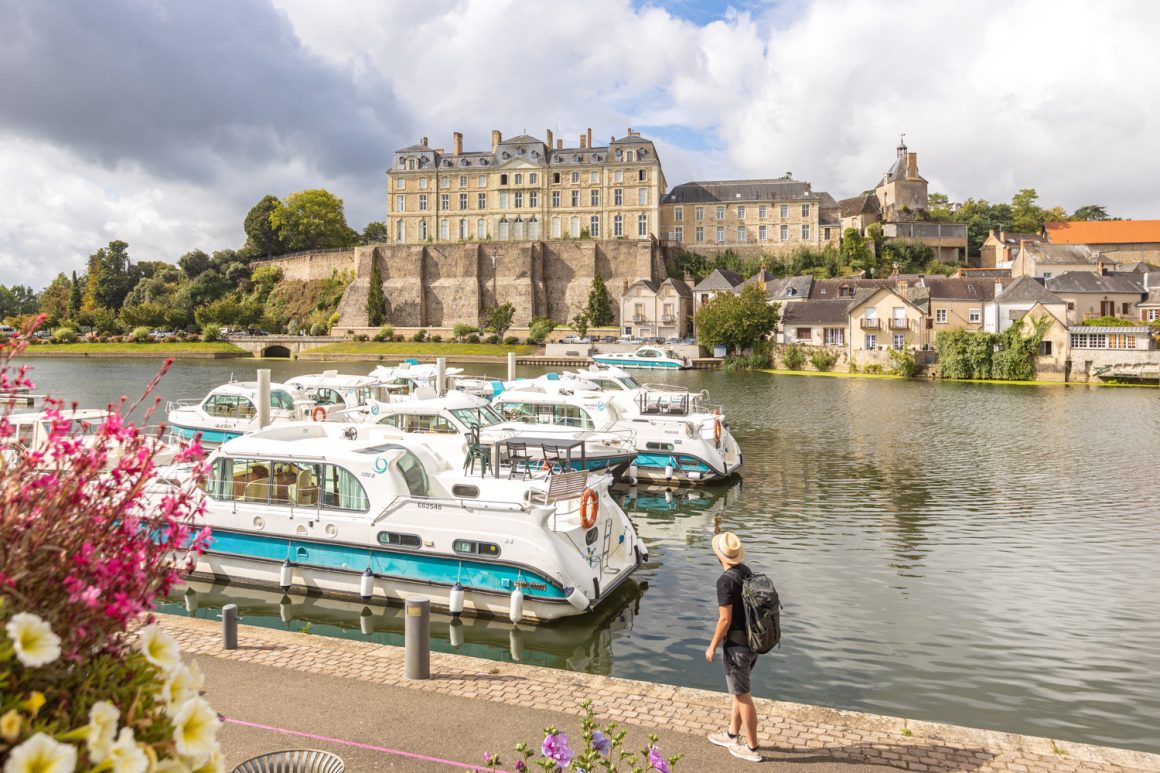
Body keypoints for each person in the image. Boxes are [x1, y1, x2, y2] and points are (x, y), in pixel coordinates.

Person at [705, 531, 762, 762]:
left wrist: (712, 646)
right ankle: (731, 734)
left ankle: (752, 748)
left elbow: (725, 620)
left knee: (743, 696)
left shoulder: (725, 581)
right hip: (753, 643)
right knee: (737, 694)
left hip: (737, 647)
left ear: (719, 556)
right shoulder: (745, 571)